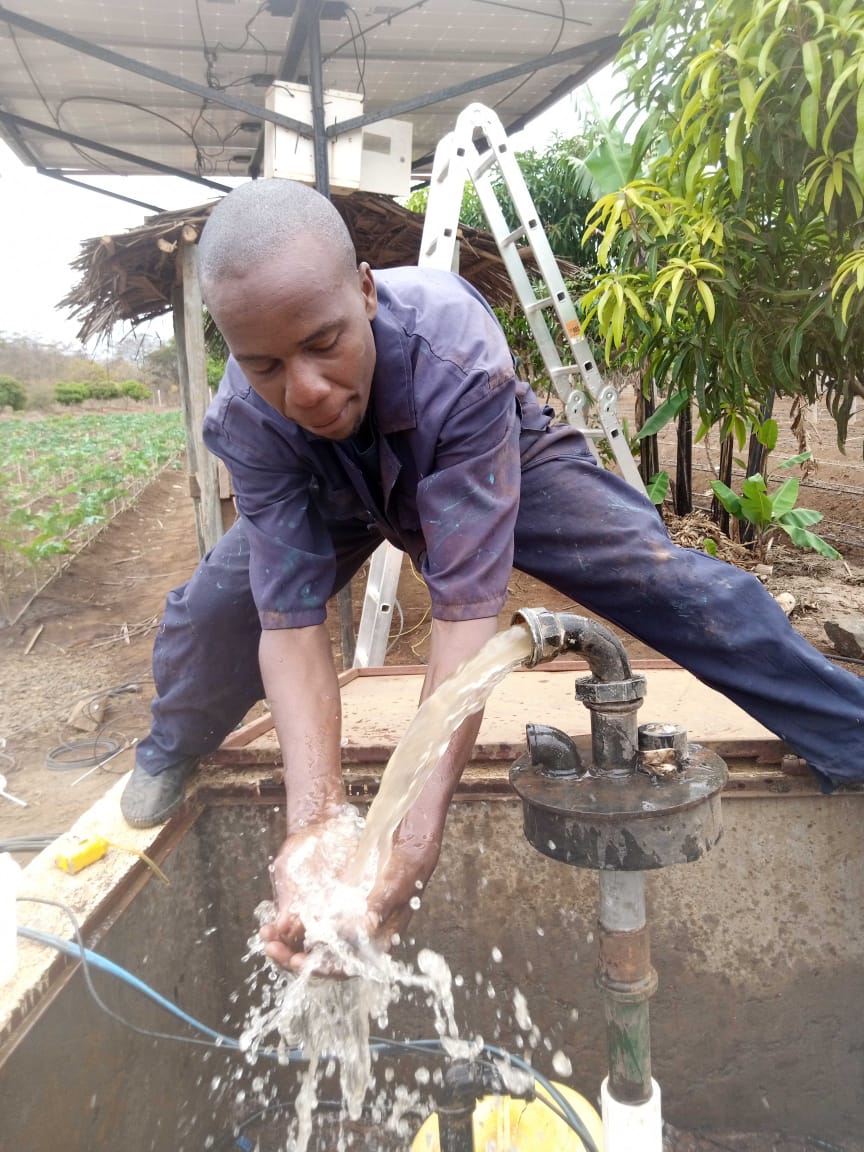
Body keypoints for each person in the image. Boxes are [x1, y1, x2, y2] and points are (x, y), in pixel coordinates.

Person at [120, 178, 864, 971]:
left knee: (670, 584)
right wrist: (313, 822)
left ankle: (846, 734)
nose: (303, 389)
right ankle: (173, 745)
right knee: (208, 616)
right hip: (328, 485)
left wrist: (412, 839)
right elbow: (291, 625)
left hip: (482, 447)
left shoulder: (455, 355)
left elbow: (463, 622)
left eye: (323, 343)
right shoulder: (249, 416)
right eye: (264, 363)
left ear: (366, 292)